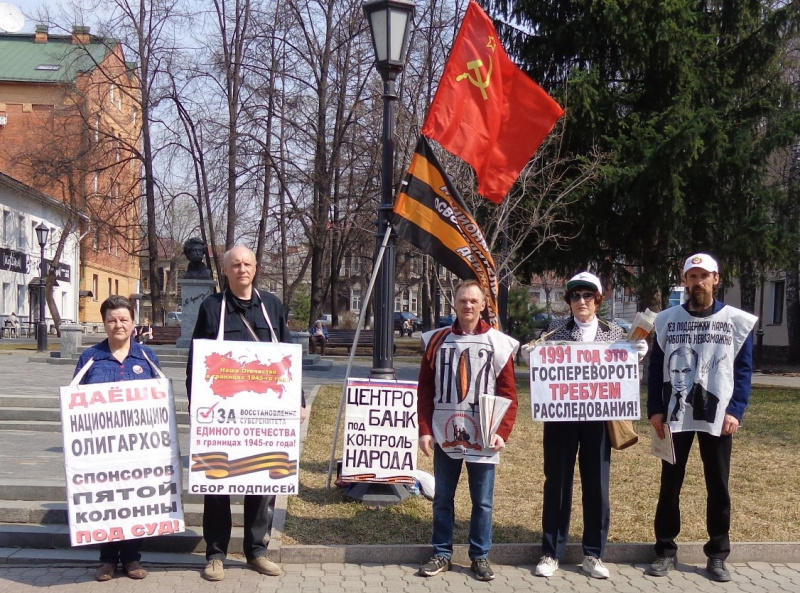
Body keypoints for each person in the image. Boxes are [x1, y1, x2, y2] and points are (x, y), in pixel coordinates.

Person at [186, 246, 307, 582]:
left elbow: (286, 358)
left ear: (256, 268)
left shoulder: (272, 306)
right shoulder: (212, 308)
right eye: (235, 264)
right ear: (226, 271)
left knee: (261, 480)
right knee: (217, 484)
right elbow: (197, 361)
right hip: (223, 417)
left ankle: (257, 551)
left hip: (262, 415)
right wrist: (197, 405)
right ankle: (215, 554)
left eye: (247, 264)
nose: (242, 269)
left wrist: (296, 400)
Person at [646, 253, 756, 582]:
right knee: (670, 485)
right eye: (692, 276)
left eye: (704, 276)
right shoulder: (666, 320)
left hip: (718, 417)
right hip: (673, 418)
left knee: (718, 487)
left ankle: (718, 554)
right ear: (685, 281)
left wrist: (736, 410)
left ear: (716, 279)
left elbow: (745, 370)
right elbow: (654, 369)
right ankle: (665, 550)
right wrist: (655, 408)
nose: (698, 282)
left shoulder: (737, 321)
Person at [416, 280, 519, 582]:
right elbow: (425, 390)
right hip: (445, 433)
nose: (468, 306)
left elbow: (510, 393)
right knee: (442, 499)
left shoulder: (499, 343)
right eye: (463, 300)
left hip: (484, 435)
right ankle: (441, 553)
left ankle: (480, 556)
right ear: (455, 304)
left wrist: (504, 431)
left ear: (484, 304)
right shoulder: (436, 341)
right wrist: (424, 429)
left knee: (483, 502)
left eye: (474, 301)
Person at [533, 272, 629, 580]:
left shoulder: (613, 332)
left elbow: (622, 377)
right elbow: (543, 359)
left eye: (588, 295)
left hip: (598, 419)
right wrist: (531, 355)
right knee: (557, 482)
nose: (581, 301)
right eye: (575, 296)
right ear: (569, 301)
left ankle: (593, 553)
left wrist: (634, 357)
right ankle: (551, 552)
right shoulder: (557, 329)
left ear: (598, 300)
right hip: (561, 416)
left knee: (596, 485)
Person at [73, 296, 162, 582]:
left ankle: (133, 559)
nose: (118, 325)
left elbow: (160, 400)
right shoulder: (90, 358)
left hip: (139, 447)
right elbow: (75, 400)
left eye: (124, 319)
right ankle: (107, 560)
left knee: (135, 500)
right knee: (106, 501)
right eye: (112, 320)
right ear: (104, 324)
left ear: (134, 323)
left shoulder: (147, 357)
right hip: (101, 449)